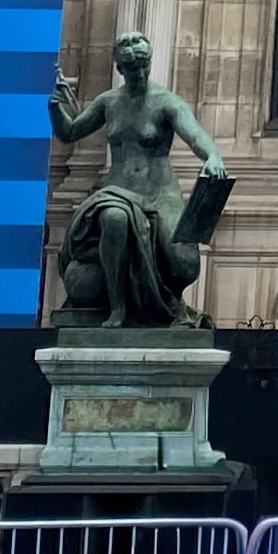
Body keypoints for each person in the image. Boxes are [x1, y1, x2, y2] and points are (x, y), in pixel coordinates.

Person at [47, 31, 228, 330]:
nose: (139, 73)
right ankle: (117, 307)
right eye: (131, 68)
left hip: (159, 192)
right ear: (120, 69)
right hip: (117, 191)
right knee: (114, 220)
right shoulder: (108, 102)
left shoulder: (166, 102)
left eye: (143, 65)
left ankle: (161, 304)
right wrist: (55, 108)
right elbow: (69, 133)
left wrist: (213, 156)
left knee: (184, 264)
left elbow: (195, 134)